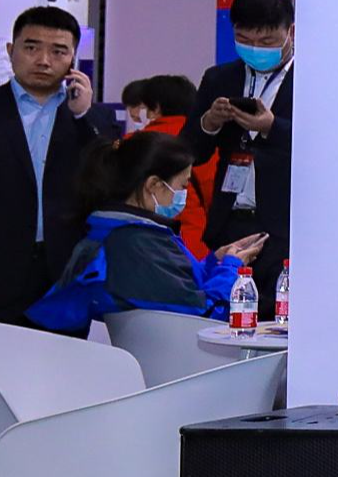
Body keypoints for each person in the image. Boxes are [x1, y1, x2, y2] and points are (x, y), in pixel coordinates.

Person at [0, 5, 104, 327]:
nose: (44, 60)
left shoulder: (87, 117)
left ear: (73, 59)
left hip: (65, 274)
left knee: (64, 357)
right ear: (10, 50)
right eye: (31, 48)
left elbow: (106, 182)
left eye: (58, 51)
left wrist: (82, 117)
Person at [26, 132, 265, 333]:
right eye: (183, 185)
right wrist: (232, 268)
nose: (184, 195)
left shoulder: (119, 231)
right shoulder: (136, 244)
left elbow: (178, 288)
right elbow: (203, 317)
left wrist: (216, 262)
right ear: (154, 185)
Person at [185, 0, 293, 290]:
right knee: (225, 305)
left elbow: (326, 150)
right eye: (244, 40)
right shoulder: (219, 78)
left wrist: (271, 127)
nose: (255, 49)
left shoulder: (313, 80)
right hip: (229, 221)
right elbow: (189, 152)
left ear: (290, 32)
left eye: (266, 41)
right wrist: (209, 122)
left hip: (287, 226)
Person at [121, 74, 214, 258]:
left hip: (142, 244)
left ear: (155, 107)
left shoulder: (132, 145)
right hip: (198, 245)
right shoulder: (210, 145)